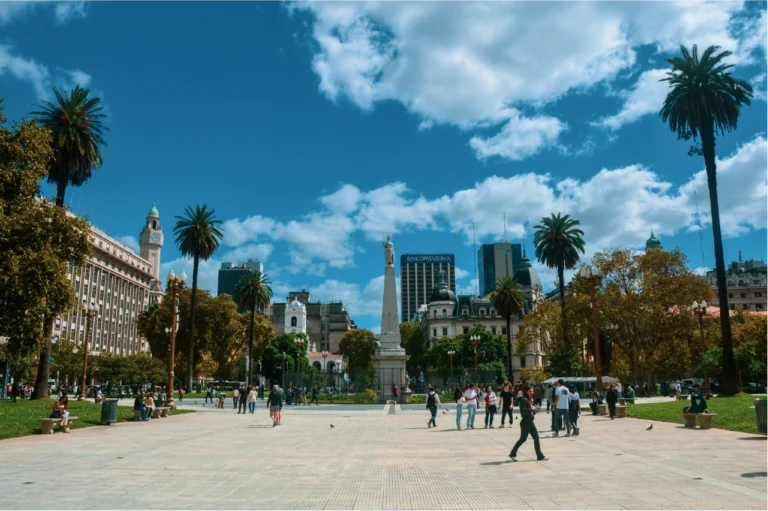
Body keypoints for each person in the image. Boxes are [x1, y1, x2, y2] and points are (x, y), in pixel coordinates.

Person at [509, 387, 547, 462]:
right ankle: (513, 453)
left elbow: (534, 411)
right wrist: (531, 409)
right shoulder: (524, 400)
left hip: (530, 422)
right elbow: (522, 411)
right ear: (526, 392)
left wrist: (533, 410)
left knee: (536, 437)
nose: (531, 392)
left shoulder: (530, 400)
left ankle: (539, 455)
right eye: (530, 391)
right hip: (525, 422)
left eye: (532, 391)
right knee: (523, 439)